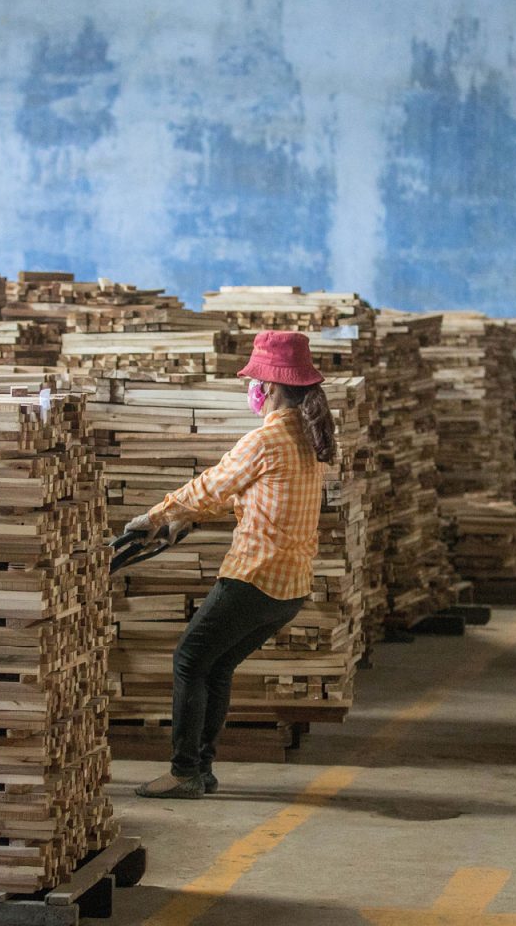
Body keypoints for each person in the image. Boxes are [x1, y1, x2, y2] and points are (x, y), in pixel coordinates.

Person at [130, 330, 337, 799]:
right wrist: (186, 520)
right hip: (290, 586)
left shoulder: (266, 439)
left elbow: (212, 485)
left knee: (188, 661)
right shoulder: (309, 440)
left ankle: (184, 772)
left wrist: (155, 516)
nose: (251, 391)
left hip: (254, 577)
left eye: (252, 382)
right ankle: (202, 770)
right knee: (215, 667)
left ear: (267, 388)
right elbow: (257, 496)